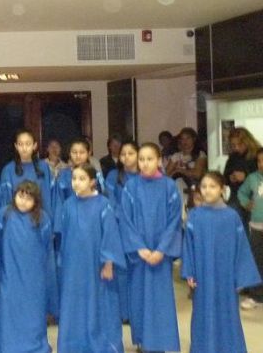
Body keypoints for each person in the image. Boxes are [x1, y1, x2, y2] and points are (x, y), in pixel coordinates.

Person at [182, 172, 262, 353]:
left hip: (226, 277)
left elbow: (241, 248)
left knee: (227, 313)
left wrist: (240, 278)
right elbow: (188, 246)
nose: (207, 190)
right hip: (202, 275)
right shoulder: (194, 216)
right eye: (204, 187)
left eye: (212, 186)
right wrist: (189, 272)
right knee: (202, 312)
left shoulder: (232, 216)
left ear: (222, 189)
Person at [118, 143, 182, 353]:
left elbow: (174, 221)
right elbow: (125, 220)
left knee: (160, 298)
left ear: (159, 160)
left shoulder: (169, 187)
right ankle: (142, 341)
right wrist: (139, 248)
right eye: (142, 159)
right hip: (139, 255)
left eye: (150, 159)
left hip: (160, 255)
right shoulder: (131, 187)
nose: (145, 164)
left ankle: (160, 341)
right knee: (139, 296)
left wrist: (161, 249)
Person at [55, 163, 125, 353]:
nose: (76, 183)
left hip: (95, 263)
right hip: (73, 264)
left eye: (82, 179)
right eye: (74, 179)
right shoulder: (68, 205)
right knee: (74, 303)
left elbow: (110, 234)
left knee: (97, 301)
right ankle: (73, 344)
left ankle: (101, 343)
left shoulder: (103, 204)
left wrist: (108, 262)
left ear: (92, 181)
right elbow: (65, 236)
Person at [0, 181, 55, 353]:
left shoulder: (42, 218)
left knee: (33, 313)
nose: (23, 201)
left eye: (29, 198)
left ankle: (35, 346)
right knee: (8, 311)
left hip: (34, 277)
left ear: (36, 201)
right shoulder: (4, 214)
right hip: (9, 274)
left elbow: (47, 249)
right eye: (20, 196)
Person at [103, 140, 139, 322]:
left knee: (138, 272)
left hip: (140, 230)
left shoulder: (144, 176)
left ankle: (137, 311)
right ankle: (124, 313)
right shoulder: (113, 175)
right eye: (123, 154)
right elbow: (110, 201)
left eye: (130, 153)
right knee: (122, 271)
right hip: (118, 227)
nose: (126, 157)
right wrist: (124, 217)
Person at [52, 138, 104, 226]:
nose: (78, 156)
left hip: (92, 218)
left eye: (82, 152)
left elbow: (102, 197)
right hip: (69, 219)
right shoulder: (63, 175)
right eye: (74, 152)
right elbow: (58, 202)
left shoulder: (96, 175)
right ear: (69, 154)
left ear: (88, 153)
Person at [1, 129, 53, 214]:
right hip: (16, 219)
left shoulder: (43, 167)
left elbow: (50, 197)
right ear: (16, 146)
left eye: (28, 144)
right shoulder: (8, 170)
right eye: (20, 144)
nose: (24, 148)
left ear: (34, 145)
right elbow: (6, 202)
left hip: (41, 217)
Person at [238, 147, 263, 309]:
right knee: (257, 261)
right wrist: (246, 203)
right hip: (257, 226)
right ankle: (256, 295)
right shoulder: (253, 178)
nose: (262, 164)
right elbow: (242, 192)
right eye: (259, 161)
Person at [225, 127, 261, 234]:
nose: (236, 148)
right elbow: (224, 176)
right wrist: (230, 178)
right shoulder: (233, 157)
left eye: (239, 144)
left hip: (256, 195)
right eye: (233, 145)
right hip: (236, 195)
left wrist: (246, 176)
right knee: (233, 217)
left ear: (247, 142)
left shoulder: (257, 155)